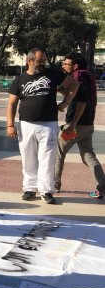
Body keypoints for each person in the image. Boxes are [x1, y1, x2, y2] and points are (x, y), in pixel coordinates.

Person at [6, 48, 79, 204]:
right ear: (30, 61)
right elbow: (12, 104)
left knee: (47, 158)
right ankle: (29, 189)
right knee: (28, 158)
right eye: (40, 61)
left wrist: (65, 103)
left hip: (48, 124)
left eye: (44, 60)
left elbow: (74, 85)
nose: (43, 63)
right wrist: (10, 125)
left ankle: (46, 190)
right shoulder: (19, 80)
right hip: (26, 124)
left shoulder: (52, 74)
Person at [54, 51, 105, 199]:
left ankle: (54, 184)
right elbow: (78, 96)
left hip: (75, 125)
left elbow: (80, 100)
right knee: (88, 155)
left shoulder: (77, 76)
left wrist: (73, 123)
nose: (63, 66)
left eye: (66, 63)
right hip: (88, 124)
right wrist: (63, 91)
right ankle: (102, 188)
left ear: (74, 66)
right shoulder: (89, 75)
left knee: (58, 151)